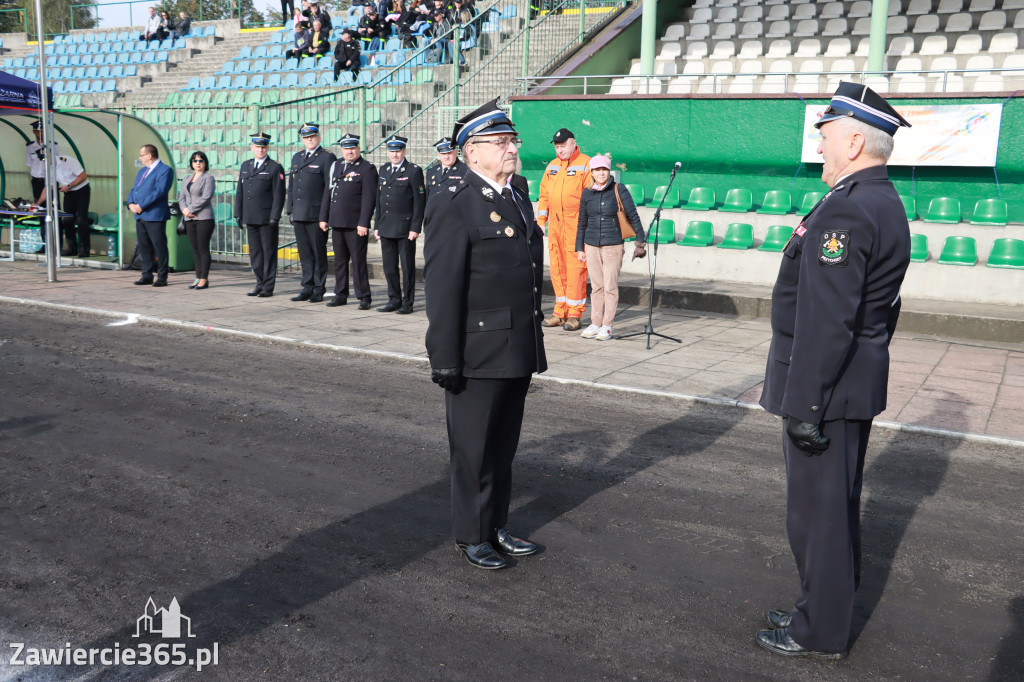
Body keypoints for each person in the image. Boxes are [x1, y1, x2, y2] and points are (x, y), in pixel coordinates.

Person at [756, 82, 912, 660]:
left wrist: (807, 404)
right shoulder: (882, 199)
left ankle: (818, 630)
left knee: (817, 516)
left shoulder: (847, 206)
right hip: (851, 383)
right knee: (834, 509)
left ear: (852, 140)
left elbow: (828, 322)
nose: (818, 147)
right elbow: (884, 308)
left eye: (824, 136)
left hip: (827, 390)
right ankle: (820, 607)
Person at [423, 99, 546, 570]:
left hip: (517, 343)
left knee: (502, 446)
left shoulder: (516, 194)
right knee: (473, 448)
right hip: (476, 349)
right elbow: (443, 287)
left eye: (512, 141)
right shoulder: (453, 203)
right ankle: (471, 533)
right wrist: (445, 358)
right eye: (502, 142)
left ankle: (496, 525)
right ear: (472, 152)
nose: (512, 148)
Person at [573, 155, 646, 341]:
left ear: (609, 171)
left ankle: (607, 325)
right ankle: (595, 323)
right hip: (591, 245)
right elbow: (582, 221)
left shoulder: (618, 189)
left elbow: (633, 215)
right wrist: (579, 247)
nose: (601, 173)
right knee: (596, 287)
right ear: (592, 172)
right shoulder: (587, 193)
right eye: (597, 170)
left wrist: (640, 241)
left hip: (613, 245)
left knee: (610, 287)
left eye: (604, 169)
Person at [537, 127, 591, 331]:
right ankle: (560, 312)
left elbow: (589, 198)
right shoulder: (552, 166)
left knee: (576, 270)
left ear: (573, 143)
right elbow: (544, 196)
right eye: (557, 147)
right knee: (557, 269)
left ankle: (575, 315)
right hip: (556, 227)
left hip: (576, 226)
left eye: (563, 146)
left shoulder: (585, 164)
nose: (559, 150)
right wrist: (542, 221)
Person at [319, 133, 377, 309]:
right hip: (337, 222)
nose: (349, 151)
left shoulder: (367, 168)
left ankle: (364, 296)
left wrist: (364, 223)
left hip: (355, 224)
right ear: (342, 150)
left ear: (358, 149)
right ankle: (340, 294)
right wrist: (323, 217)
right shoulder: (336, 165)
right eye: (346, 148)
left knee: (358, 261)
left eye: (352, 148)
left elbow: (369, 199)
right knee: (340, 261)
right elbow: (328, 193)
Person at [374, 134, 425, 314]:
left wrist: (415, 228)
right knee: (389, 267)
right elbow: (379, 200)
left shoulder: (413, 171)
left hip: (405, 228)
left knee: (407, 267)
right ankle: (393, 299)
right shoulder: (384, 170)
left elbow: (419, 202)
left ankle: (407, 302)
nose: (395, 154)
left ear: (404, 151)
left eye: (398, 151)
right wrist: (377, 225)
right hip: (386, 226)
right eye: (391, 151)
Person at [286, 123, 336, 303]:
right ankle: (307, 286)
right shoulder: (297, 157)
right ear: (302, 139)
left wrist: (325, 215)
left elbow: (329, 189)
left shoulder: (326, 157)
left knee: (318, 252)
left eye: (312, 137)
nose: (309, 140)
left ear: (319, 137)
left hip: (316, 215)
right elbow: (292, 186)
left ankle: (318, 288)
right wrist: (290, 208)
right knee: (304, 253)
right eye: (306, 138)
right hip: (299, 213)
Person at [234, 132, 286, 298]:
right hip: (250, 216)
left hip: (266, 218)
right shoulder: (246, 165)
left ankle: (268, 286)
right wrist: (238, 213)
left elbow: (279, 194)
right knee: (255, 253)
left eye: (263, 147)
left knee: (268, 253)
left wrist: (275, 216)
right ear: (252, 147)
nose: (260, 150)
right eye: (257, 147)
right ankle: (259, 283)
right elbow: (240, 191)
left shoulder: (274, 167)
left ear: (267, 148)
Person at [125, 144, 173, 287]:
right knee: (144, 246)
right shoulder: (142, 171)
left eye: (142, 155)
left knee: (159, 246)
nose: (140, 158)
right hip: (140, 215)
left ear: (150, 155)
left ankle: (162, 277)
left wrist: (142, 205)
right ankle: (146, 275)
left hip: (154, 214)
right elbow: (134, 189)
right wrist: (131, 203)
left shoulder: (165, 170)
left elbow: (160, 191)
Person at [178, 150, 216, 290]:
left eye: (201, 161)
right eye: (195, 161)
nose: (198, 163)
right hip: (189, 218)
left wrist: (191, 209)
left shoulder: (208, 178)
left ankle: (204, 279)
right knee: (195, 250)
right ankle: (197, 277)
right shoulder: (187, 178)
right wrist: (184, 210)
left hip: (203, 218)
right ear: (191, 163)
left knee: (203, 249)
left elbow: (206, 197)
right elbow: (181, 196)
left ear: (205, 163)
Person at [52, 154, 91, 258]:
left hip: (81, 190)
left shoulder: (66, 161)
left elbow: (83, 176)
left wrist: (69, 186)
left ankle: (84, 250)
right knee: (67, 219)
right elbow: (50, 185)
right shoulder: (49, 167)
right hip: (68, 193)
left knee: (81, 219)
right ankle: (72, 248)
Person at [25, 120, 61, 210]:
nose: (41, 133)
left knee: (54, 206)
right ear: (34, 132)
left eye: (43, 131)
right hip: (37, 180)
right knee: (39, 206)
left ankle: (57, 224)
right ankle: (42, 224)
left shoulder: (54, 146)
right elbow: (30, 163)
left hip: (51, 179)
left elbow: (60, 162)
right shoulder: (30, 147)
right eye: (38, 131)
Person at [424, 136, 467, 203]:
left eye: (449, 153)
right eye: (443, 154)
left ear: (456, 152)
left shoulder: (465, 170)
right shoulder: (431, 171)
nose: (446, 157)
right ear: (439, 154)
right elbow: (427, 199)